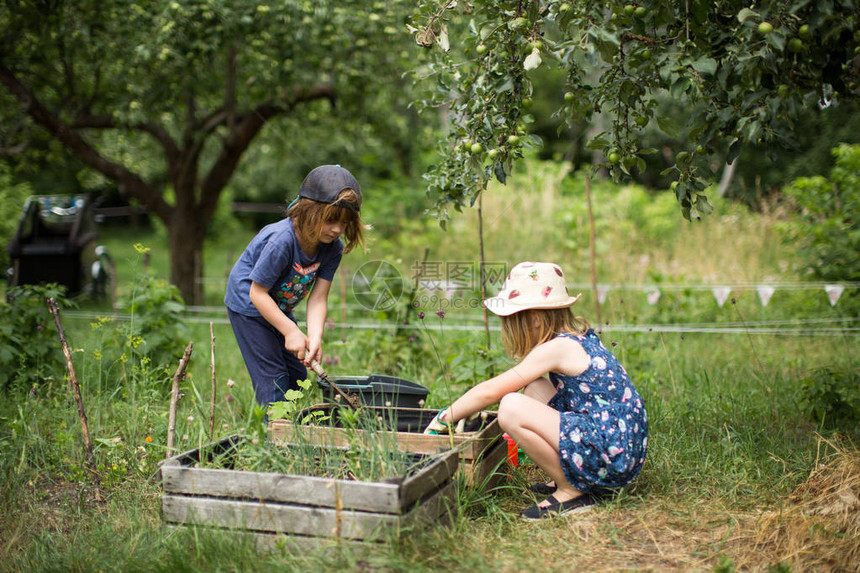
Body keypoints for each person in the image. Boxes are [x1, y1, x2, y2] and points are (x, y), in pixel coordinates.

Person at [424, 261, 647, 520]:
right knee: (535, 387)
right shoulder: (575, 338)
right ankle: (574, 475)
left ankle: (572, 489)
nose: (508, 329)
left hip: (611, 456)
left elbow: (491, 392)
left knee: (510, 407)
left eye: (512, 321)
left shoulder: (556, 348)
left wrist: (443, 418)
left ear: (535, 319)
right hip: (618, 447)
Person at [224, 164, 364, 407]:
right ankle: (275, 439)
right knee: (275, 379)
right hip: (250, 304)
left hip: (278, 304)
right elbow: (257, 293)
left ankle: (290, 429)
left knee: (297, 375)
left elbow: (318, 298)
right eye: (331, 220)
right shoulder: (282, 241)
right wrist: (290, 331)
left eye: (345, 223)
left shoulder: (332, 247)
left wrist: (314, 337)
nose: (337, 229)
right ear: (308, 211)